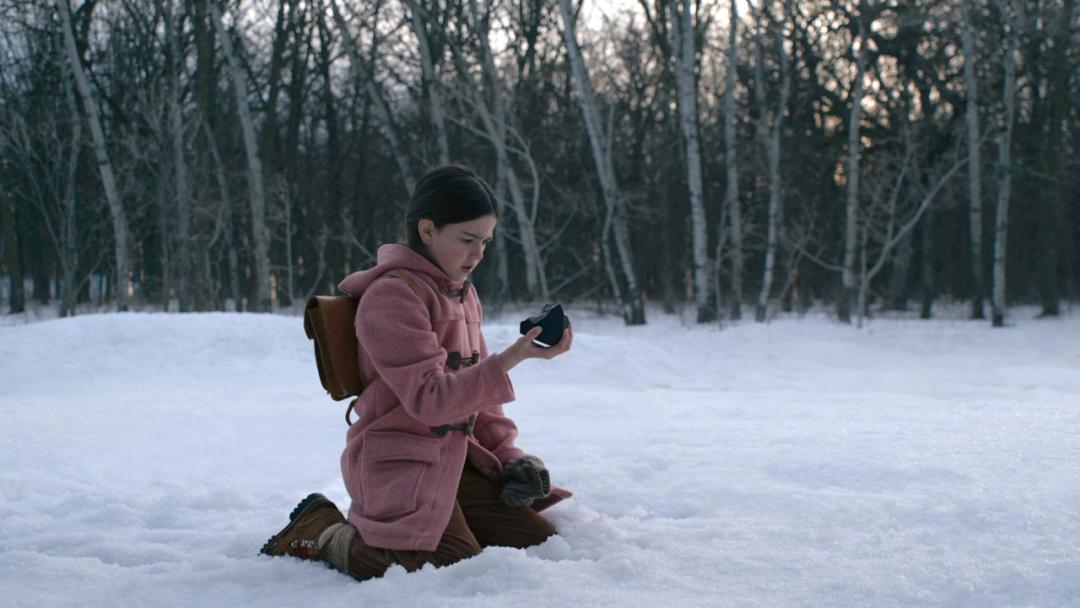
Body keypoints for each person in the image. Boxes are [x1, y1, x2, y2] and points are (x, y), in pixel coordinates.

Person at [260, 164, 573, 580]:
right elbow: (431, 401)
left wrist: (510, 458)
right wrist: (512, 358)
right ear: (427, 231)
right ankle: (324, 532)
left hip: (456, 463)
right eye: (467, 240)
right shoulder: (392, 296)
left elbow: (483, 401)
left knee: (539, 544)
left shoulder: (464, 295)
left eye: (485, 241)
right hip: (401, 465)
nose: (478, 254)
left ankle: (455, 522)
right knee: (446, 574)